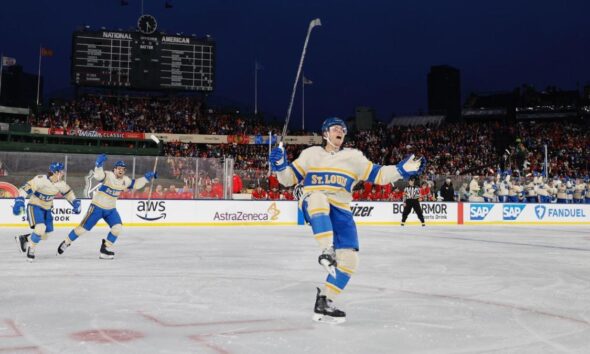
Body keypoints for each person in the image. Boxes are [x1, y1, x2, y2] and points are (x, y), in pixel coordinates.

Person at [269, 117, 425, 324]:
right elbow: (288, 179)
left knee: (350, 260)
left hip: (341, 208)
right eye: (335, 128)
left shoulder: (354, 157)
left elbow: (378, 174)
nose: (340, 131)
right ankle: (327, 250)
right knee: (318, 198)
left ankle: (325, 300)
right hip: (315, 201)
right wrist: (280, 166)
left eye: (342, 129)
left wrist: (400, 170)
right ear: (325, 133)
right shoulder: (310, 154)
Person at [56, 154, 157, 259]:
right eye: (119, 169)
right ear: (114, 169)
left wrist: (146, 178)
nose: (121, 171)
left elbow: (135, 184)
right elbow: (98, 176)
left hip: (111, 210)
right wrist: (98, 165)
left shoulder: (125, 180)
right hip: (97, 207)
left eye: (123, 169)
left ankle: (105, 249)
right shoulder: (108, 176)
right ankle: (66, 242)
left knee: (117, 228)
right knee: (82, 229)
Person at [13, 162, 81, 262]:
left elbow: (69, 193)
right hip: (34, 206)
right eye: (61, 171)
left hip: (47, 209)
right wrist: (19, 200)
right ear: (55, 172)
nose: (63, 173)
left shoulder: (61, 184)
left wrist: (75, 202)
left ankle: (25, 239)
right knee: (40, 227)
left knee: (46, 234)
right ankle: (31, 249)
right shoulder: (40, 180)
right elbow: (25, 188)